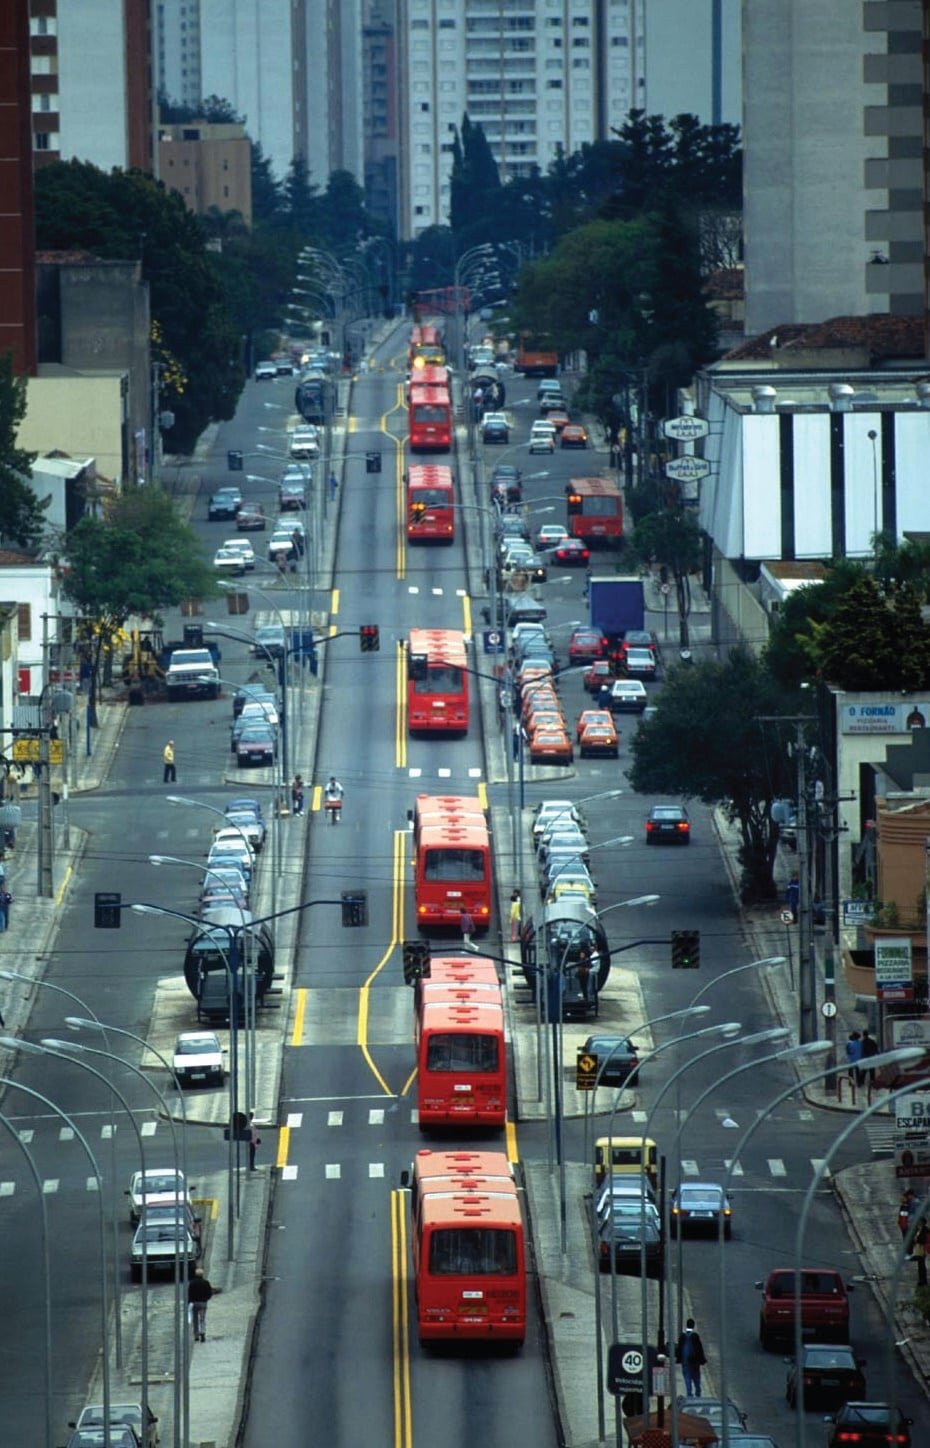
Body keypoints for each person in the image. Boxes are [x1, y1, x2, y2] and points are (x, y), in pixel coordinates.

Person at [675, 1317, 707, 1397]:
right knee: (696, 1379)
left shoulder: (682, 1336)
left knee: (687, 1379)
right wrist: (702, 1360)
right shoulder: (695, 1336)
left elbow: (679, 1349)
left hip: (685, 1363)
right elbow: (700, 1349)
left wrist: (678, 1359)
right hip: (695, 1363)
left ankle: (689, 1394)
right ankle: (698, 1392)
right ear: (693, 1326)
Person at [188, 1267, 219, 1342]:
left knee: (195, 1319)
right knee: (202, 1319)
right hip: (203, 1303)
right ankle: (202, 1332)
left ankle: (196, 1335)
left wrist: (190, 1301)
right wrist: (207, 1299)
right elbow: (209, 1292)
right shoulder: (206, 1282)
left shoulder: (192, 1283)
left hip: (195, 1303)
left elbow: (189, 1293)